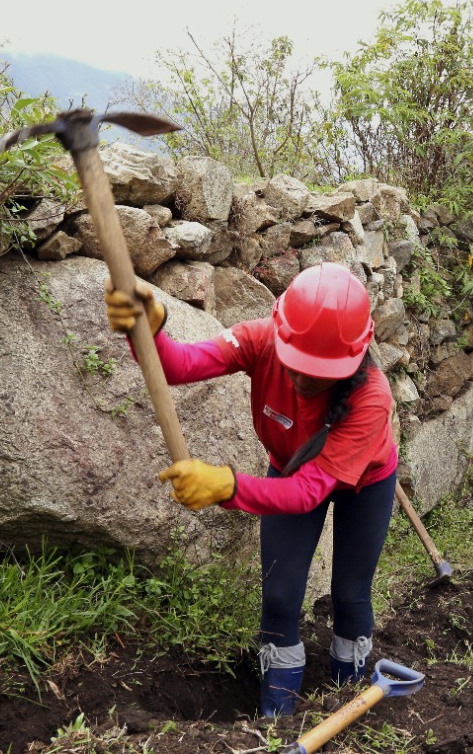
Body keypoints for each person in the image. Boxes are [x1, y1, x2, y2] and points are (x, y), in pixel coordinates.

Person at [104, 263, 398, 717]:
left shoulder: (372, 399)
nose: (303, 379)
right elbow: (177, 366)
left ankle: (348, 703)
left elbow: (306, 493)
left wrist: (227, 486)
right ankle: (275, 721)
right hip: (291, 466)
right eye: (297, 364)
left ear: (353, 358)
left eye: (320, 371)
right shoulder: (261, 339)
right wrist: (150, 332)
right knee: (279, 596)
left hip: (365, 484)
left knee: (350, 592)